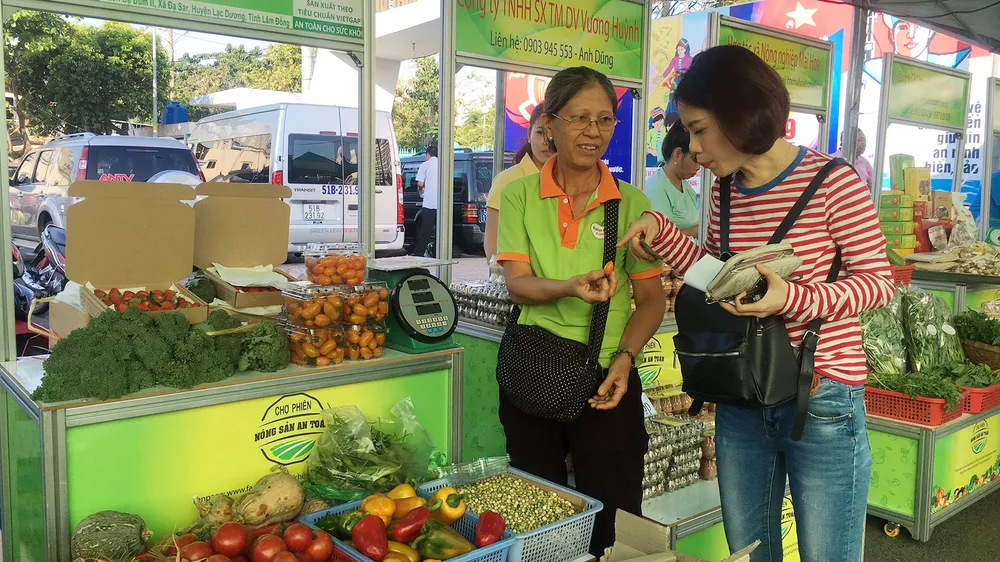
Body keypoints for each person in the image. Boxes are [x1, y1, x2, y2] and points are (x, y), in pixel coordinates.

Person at [618, 45, 894, 562]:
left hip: (823, 398)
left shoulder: (834, 183)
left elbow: (877, 284)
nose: (693, 148)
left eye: (700, 129)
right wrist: (660, 232)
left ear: (741, 114)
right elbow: (718, 278)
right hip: (743, 396)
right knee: (748, 551)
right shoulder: (725, 192)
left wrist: (794, 299)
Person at [497, 66, 666, 556]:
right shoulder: (520, 195)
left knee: (613, 513)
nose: (594, 132)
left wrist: (625, 358)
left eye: (605, 120)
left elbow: (651, 300)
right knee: (537, 507)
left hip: (606, 381)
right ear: (549, 123)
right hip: (534, 366)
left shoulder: (632, 204)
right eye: (580, 118)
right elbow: (518, 286)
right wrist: (571, 286)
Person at [484, 104, 554, 259]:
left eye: (554, 134)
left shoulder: (571, 182)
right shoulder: (507, 181)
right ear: (529, 134)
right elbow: (492, 247)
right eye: (540, 132)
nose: (546, 142)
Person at [645, 122, 701, 237]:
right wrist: (699, 230)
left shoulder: (685, 186)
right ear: (677, 154)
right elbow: (659, 238)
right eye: (695, 159)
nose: (698, 166)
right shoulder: (656, 189)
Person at [412, 145, 439, 257]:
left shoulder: (425, 165)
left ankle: (419, 253)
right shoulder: (443, 165)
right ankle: (438, 252)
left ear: (428, 155)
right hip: (442, 204)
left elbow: (420, 183)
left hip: (429, 203)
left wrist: (420, 189)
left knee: (426, 230)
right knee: (440, 231)